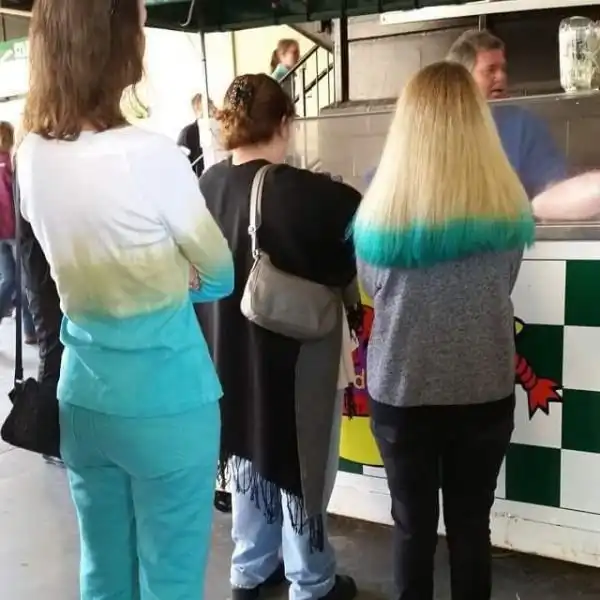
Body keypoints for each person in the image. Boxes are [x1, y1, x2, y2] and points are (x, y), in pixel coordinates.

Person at [17, 2, 234, 600]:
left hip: (85, 400)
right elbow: (220, 273)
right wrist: (169, 276)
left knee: (103, 575)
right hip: (169, 403)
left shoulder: (30, 155)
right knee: (171, 581)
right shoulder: (151, 155)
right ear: (113, 43)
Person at [353, 61, 534, 600]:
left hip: (401, 393)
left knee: (411, 527)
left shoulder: (377, 214)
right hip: (483, 390)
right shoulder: (509, 209)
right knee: (471, 528)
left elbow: (373, 288)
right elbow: (505, 282)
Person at [196, 73, 361, 600]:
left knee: (248, 455)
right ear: (284, 123)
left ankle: (249, 569)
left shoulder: (207, 185)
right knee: (301, 463)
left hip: (226, 355)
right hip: (291, 362)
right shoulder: (300, 190)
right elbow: (357, 223)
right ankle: (311, 581)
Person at [446, 29, 567, 197]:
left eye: (503, 69)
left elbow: (553, 185)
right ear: (462, 79)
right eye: (490, 70)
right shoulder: (439, 127)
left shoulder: (525, 126)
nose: (501, 76)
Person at [0, 121, 36, 344]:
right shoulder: (9, 165)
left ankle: (29, 329)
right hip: (13, 231)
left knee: (8, 279)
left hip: (1, 234)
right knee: (23, 282)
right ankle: (30, 330)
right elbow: (12, 201)